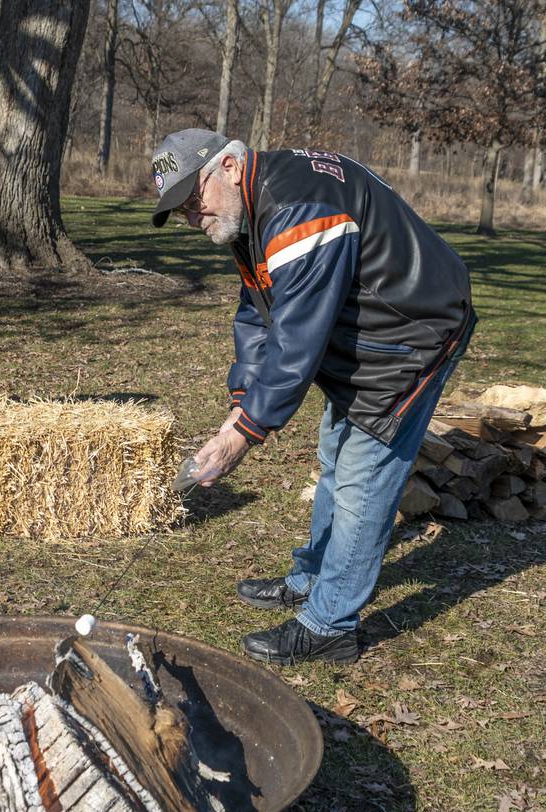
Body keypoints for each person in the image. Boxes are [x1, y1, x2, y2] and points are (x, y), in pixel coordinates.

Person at [151, 129, 476, 666]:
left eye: (193, 199)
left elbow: (296, 339)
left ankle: (331, 624)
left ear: (228, 168)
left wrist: (242, 435)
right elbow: (259, 312)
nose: (191, 217)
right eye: (181, 209)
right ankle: (312, 576)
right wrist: (242, 404)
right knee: (333, 456)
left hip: (413, 331)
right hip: (371, 332)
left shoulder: (299, 211)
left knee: (361, 480)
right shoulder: (251, 209)